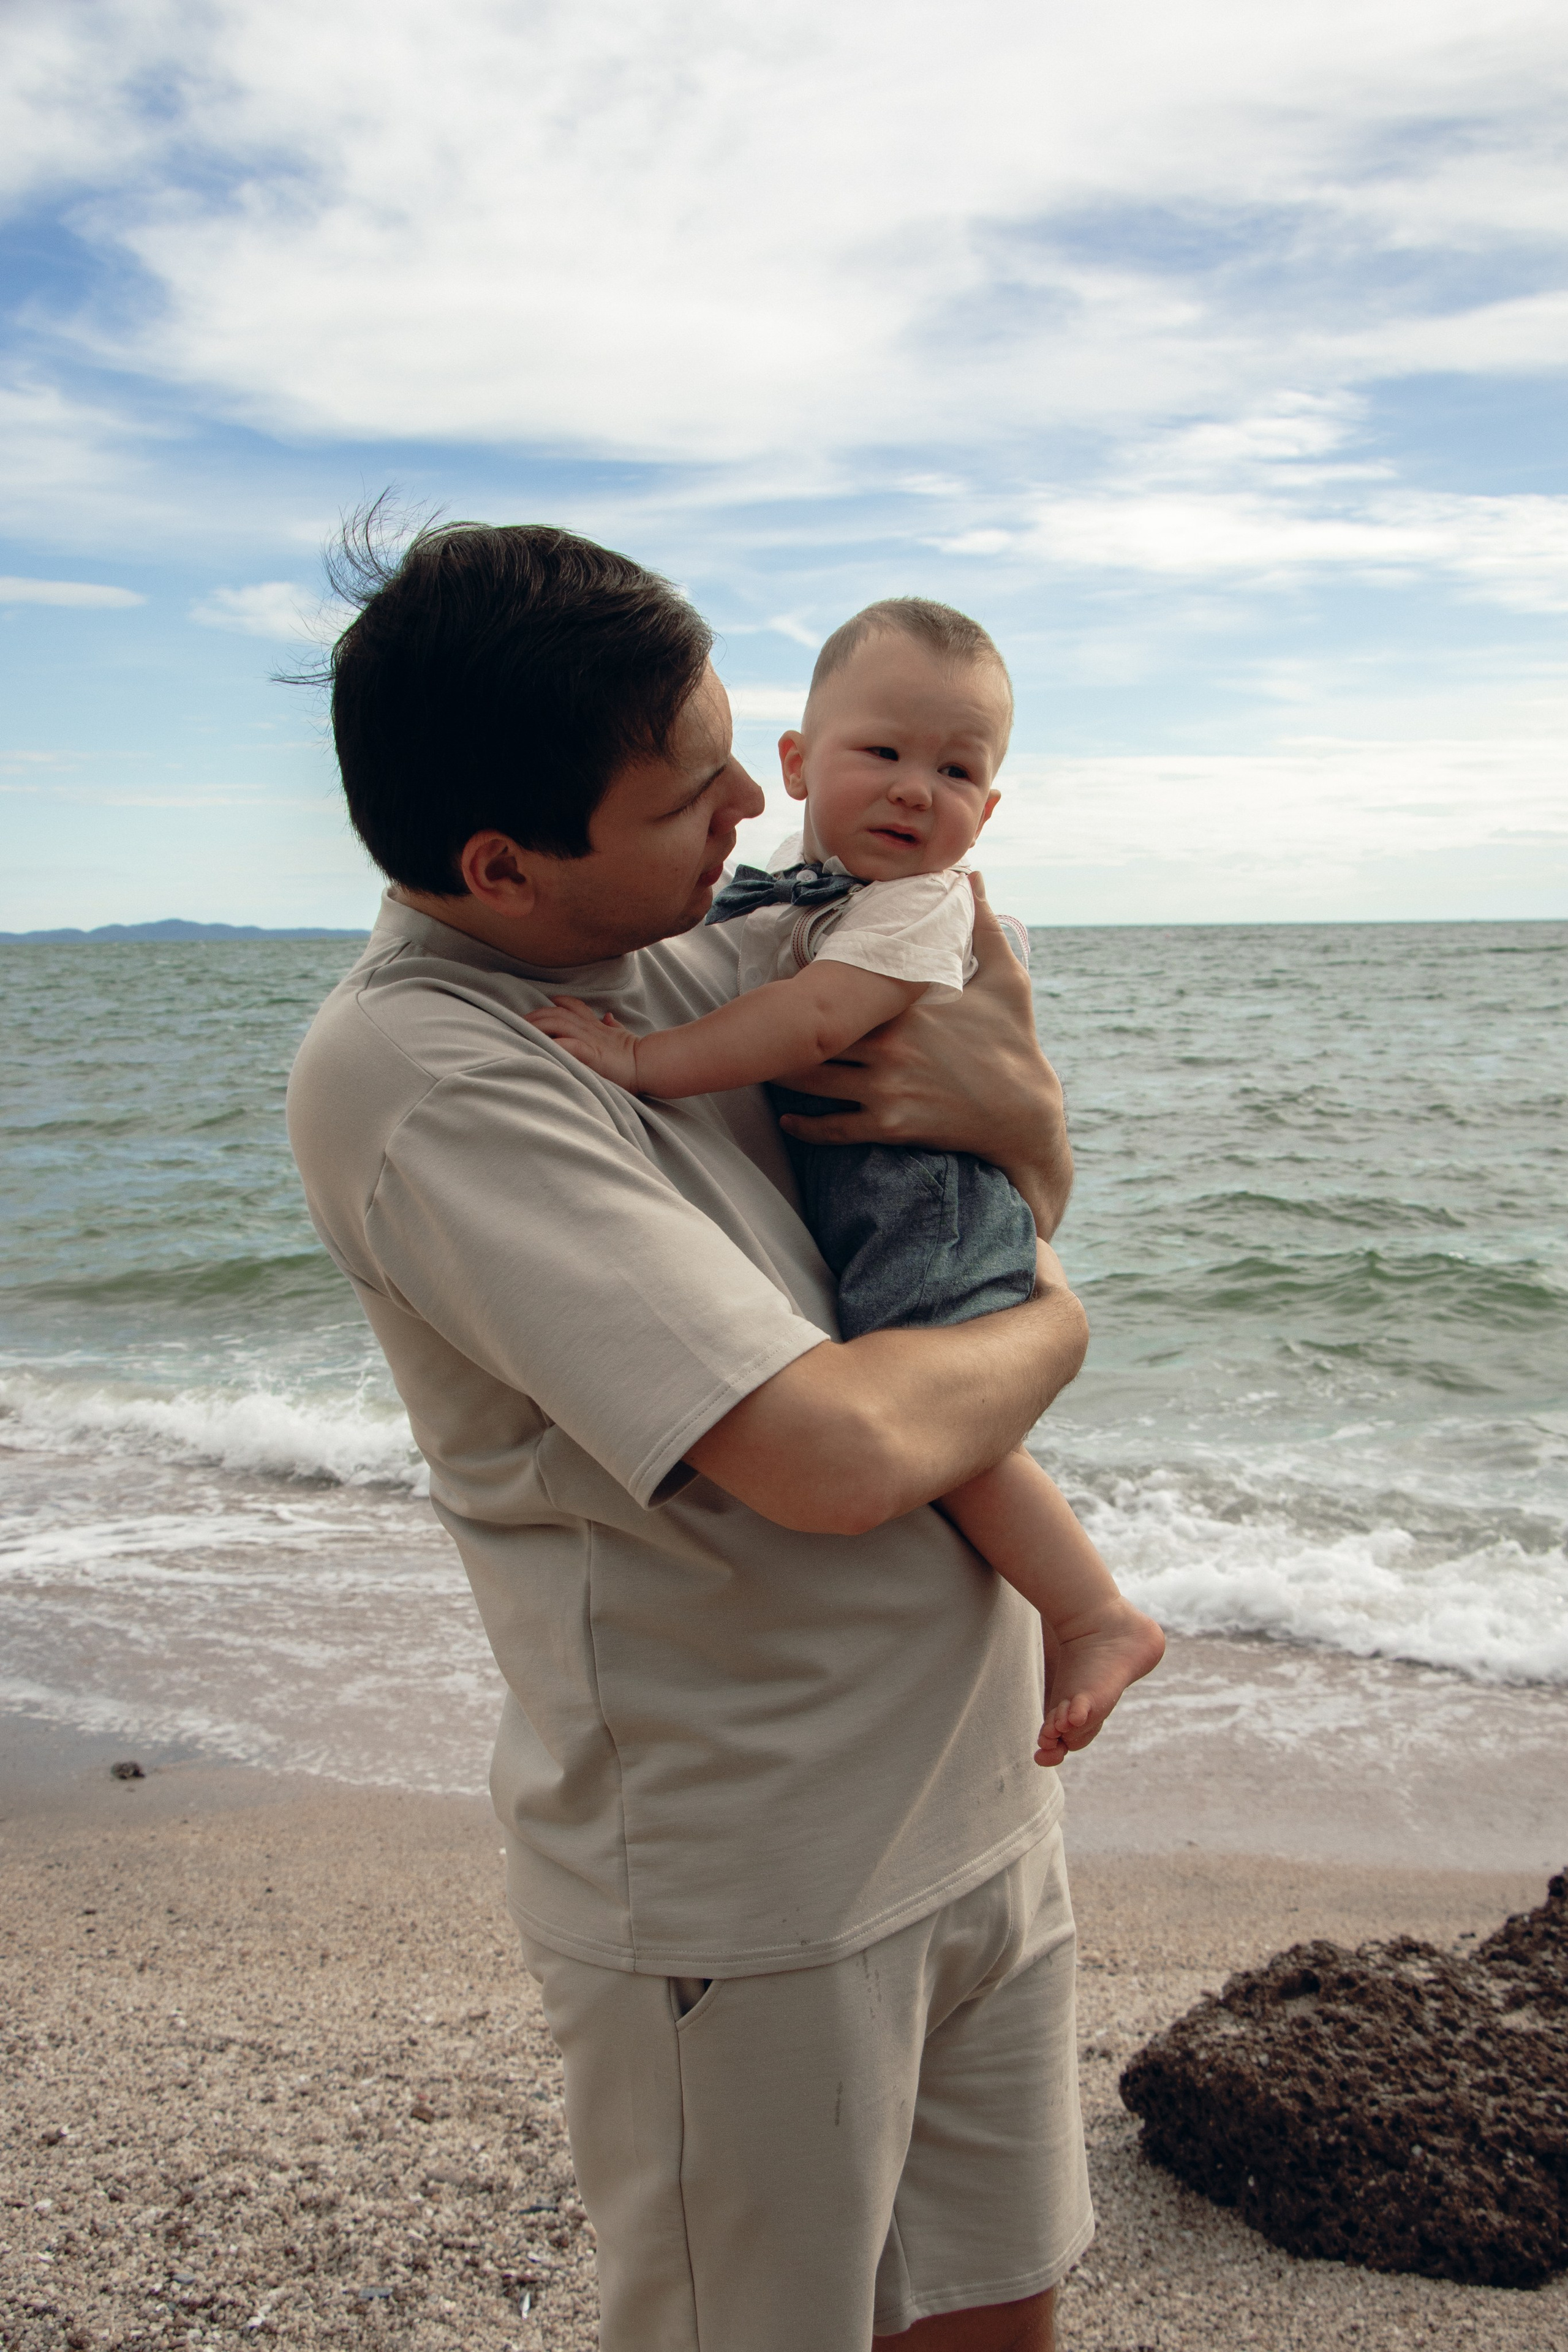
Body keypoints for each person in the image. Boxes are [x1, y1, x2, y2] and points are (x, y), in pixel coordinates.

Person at [287, 517, 1095, 2352]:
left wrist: (1032, 1141)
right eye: (688, 786)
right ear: (503, 865)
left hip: (976, 1797)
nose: (757, 795)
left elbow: (954, 1210)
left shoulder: (686, 948)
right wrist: (1067, 1320)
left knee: (994, 2309)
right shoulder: (427, 1071)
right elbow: (824, 1451)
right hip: (764, 1886)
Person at [527, 597, 1164, 1768]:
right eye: (883, 753)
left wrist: (638, 1059)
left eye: (958, 769)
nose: (919, 789)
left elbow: (815, 1018)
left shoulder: (920, 906)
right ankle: (1077, 1613)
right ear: (796, 763)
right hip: (876, 1184)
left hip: (923, 1192)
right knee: (941, 1419)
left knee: (940, 1420)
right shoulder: (799, 886)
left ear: (990, 808)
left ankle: (1093, 1613)